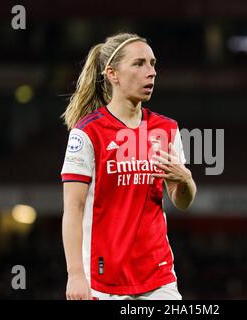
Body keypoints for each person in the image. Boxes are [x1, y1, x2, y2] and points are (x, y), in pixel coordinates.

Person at [60, 32, 197, 300]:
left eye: (153, 63)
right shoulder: (88, 132)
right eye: (139, 64)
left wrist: (186, 180)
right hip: (103, 280)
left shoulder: (166, 128)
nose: (152, 72)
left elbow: (182, 201)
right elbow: (73, 209)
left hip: (158, 278)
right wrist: (75, 273)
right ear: (112, 74)